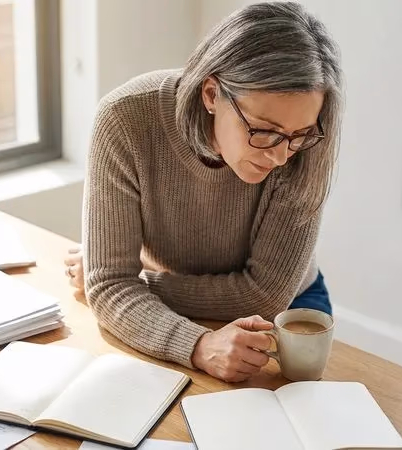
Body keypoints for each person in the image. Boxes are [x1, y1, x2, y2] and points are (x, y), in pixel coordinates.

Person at [63, 2, 343, 382]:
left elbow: (264, 295)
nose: (281, 156)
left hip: (289, 305)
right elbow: (110, 287)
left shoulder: (306, 146)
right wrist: (198, 344)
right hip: (166, 309)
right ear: (211, 94)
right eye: (264, 131)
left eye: (299, 135)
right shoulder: (125, 119)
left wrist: (136, 283)